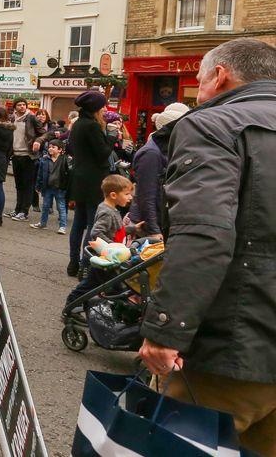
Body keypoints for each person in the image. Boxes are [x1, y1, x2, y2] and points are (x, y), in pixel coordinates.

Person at [138, 39, 276, 456]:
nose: (198, 93)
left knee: (173, 447)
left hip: (235, 348)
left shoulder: (212, 124)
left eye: (198, 81)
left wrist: (165, 329)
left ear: (220, 77)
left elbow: (204, 233)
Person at [64, 174, 134, 308]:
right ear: (113, 195)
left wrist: (133, 229)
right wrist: (112, 247)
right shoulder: (107, 212)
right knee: (94, 285)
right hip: (105, 258)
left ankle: (86, 306)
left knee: (104, 285)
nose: (130, 197)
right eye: (127, 194)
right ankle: (71, 304)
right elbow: (96, 232)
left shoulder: (111, 209)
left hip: (110, 258)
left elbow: (118, 230)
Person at [65, 90, 114, 277]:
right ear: (96, 108)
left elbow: (71, 148)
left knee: (78, 223)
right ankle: (86, 264)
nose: (104, 109)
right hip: (94, 180)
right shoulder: (92, 127)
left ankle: (73, 262)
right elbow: (102, 153)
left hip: (79, 178)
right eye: (102, 106)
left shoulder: (78, 124)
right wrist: (111, 137)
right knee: (93, 224)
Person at [130, 103, 189, 239]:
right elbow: (146, 194)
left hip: (158, 219)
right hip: (148, 224)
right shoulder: (151, 153)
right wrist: (154, 230)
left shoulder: (166, 149)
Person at [8, 99, 46, 221]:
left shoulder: (31, 118)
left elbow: (44, 133)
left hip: (28, 155)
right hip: (16, 155)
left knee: (28, 184)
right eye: (19, 105)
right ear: (15, 107)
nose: (22, 107)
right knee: (19, 184)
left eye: (24, 105)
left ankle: (24, 212)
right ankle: (17, 209)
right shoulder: (12, 118)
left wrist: (38, 141)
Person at [31, 139, 70, 233]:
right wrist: (38, 186)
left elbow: (69, 174)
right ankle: (43, 223)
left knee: (61, 207)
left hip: (60, 187)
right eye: (49, 147)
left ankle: (62, 227)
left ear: (60, 150)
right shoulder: (44, 160)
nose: (50, 149)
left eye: (53, 147)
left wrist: (67, 187)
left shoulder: (65, 159)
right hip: (47, 187)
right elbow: (40, 174)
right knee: (45, 206)